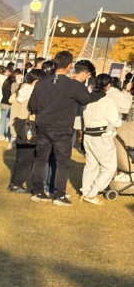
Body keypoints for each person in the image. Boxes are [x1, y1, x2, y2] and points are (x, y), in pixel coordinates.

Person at [28, 50, 94, 205]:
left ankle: (37, 191)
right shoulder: (72, 85)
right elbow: (86, 99)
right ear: (70, 66)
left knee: (40, 159)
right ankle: (59, 195)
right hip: (62, 127)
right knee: (62, 162)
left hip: (43, 125)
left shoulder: (42, 82)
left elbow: (32, 104)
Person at [80, 73, 124, 204]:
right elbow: (114, 120)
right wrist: (119, 123)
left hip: (88, 135)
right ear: (108, 85)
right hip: (101, 136)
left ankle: (85, 190)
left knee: (91, 164)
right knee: (110, 166)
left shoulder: (88, 99)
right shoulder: (107, 100)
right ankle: (93, 192)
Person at [8, 67, 40, 192]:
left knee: (21, 158)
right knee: (26, 160)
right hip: (28, 130)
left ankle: (15, 183)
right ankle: (17, 184)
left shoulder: (20, 91)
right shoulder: (32, 94)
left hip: (18, 128)